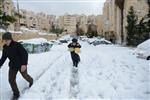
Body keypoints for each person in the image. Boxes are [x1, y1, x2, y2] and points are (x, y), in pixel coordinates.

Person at [0, 32, 33, 99]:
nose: (5, 42)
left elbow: (25, 54)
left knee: (25, 76)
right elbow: (3, 57)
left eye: (6, 40)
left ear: (10, 39)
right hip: (13, 66)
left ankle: (31, 80)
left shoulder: (17, 45)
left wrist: (24, 64)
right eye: (4, 40)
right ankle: (16, 94)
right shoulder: (5, 47)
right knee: (11, 80)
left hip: (21, 65)